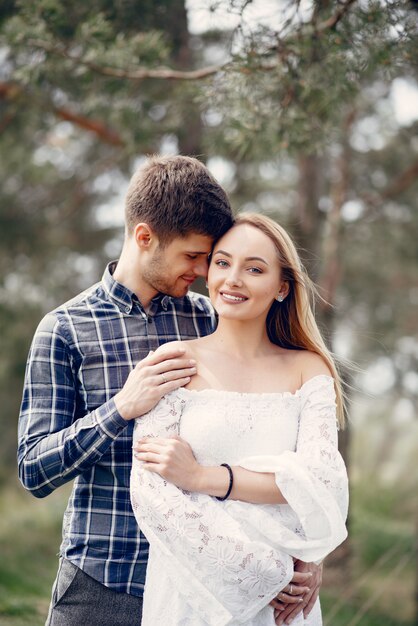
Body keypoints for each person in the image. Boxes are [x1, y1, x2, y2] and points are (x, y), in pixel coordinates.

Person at [17, 155, 234, 626]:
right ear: (144, 237)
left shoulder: (212, 321)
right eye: (192, 256)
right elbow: (33, 469)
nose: (202, 271)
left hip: (198, 583)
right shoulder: (64, 330)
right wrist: (120, 409)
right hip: (102, 583)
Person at [131, 213, 349, 625]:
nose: (233, 279)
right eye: (222, 262)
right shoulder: (173, 362)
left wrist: (201, 477)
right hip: (194, 593)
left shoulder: (310, 370)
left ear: (282, 287)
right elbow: (152, 494)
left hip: (286, 602)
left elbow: (324, 483)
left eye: (254, 269)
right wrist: (265, 573)